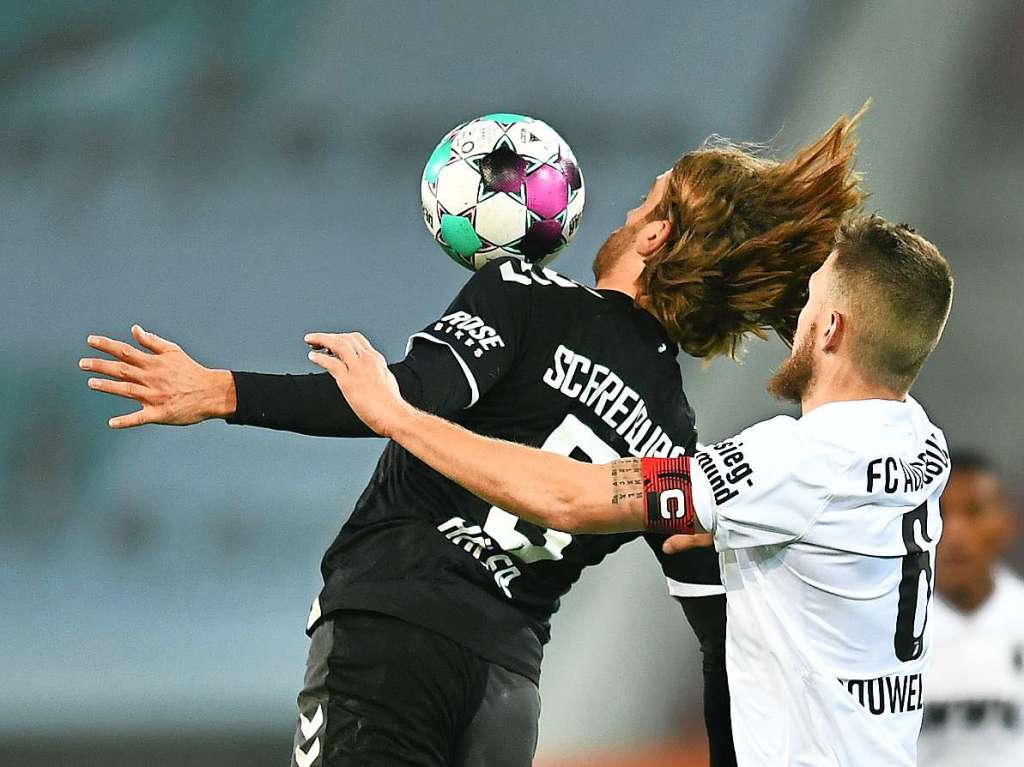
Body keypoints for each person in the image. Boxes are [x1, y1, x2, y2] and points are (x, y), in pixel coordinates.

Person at [80, 112, 864, 767]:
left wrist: (219, 391)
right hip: (505, 693)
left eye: (644, 205)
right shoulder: (674, 433)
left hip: (393, 638)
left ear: (657, 238)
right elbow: (716, 623)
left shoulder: (527, 296)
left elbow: (402, 399)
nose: (624, 216)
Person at [306, 214, 954, 766]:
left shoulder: (794, 460)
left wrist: (398, 415)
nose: (799, 315)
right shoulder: (922, 446)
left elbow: (574, 498)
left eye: (811, 298)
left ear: (833, 329)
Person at [917, 451, 1024, 765]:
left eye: (974, 511)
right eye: (941, 514)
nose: (956, 534)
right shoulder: (886, 629)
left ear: (1007, 523)